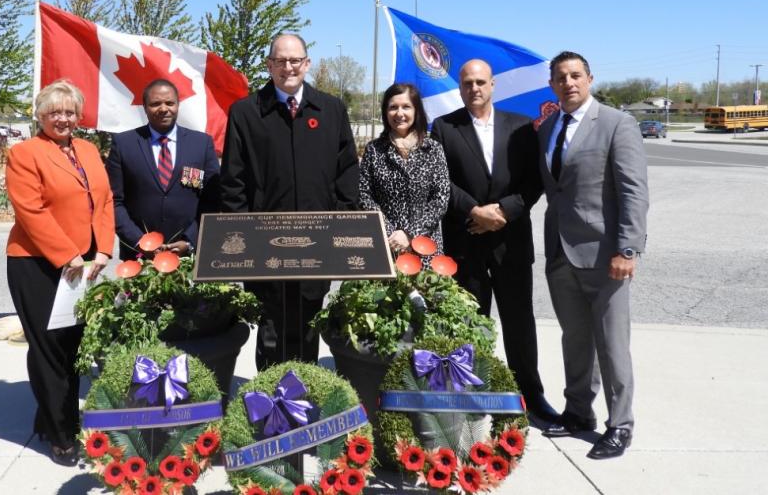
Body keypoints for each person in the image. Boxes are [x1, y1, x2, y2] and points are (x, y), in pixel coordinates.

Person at [221, 33, 359, 369]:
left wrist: (338, 230)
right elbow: (233, 182)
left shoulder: (331, 109)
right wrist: (243, 242)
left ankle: (306, 396)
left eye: (295, 60)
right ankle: (270, 405)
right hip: (264, 248)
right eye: (280, 61)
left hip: (318, 244)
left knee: (309, 324)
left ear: (307, 63)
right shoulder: (245, 113)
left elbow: (347, 175)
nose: (288, 67)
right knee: (270, 327)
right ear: (269, 65)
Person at [430, 59, 555, 423]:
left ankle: (531, 394)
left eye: (481, 82)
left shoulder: (520, 127)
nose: (475, 89)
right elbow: (441, 182)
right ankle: (470, 396)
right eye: (467, 83)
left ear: (493, 84)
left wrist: (503, 211)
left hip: (511, 241)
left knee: (519, 321)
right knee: (470, 323)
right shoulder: (444, 127)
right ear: (460, 86)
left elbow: (534, 181)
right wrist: (475, 212)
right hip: (466, 240)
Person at [538, 52, 649, 460]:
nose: (569, 83)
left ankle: (620, 424)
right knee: (576, 339)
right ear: (552, 84)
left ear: (590, 78)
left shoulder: (618, 124)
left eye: (576, 75)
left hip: (607, 257)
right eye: (561, 77)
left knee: (613, 344)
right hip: (561, 255)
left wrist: (628, 248)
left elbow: (634, 191)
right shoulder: (548, 126)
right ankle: (578, 412)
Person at [5, 79, 115, 467]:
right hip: (36, 263)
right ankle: (62, 433)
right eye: (54, 112)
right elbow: (30, 211)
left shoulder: (87, 149)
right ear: (40, 115)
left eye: (69, 112)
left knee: (71, 344)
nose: (63, 119)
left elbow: (103, 201)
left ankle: (47, 414)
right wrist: (67, 254)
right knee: (50, 349)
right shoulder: (24, 153)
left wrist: (103, 248)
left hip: (85, 262)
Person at [106, 79, 220, 259]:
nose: (163, 108)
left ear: (178, 105)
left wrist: (191, 240)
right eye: (155, 103)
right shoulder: (124, 144)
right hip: (138, 257)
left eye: (169, 103)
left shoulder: (202, 144)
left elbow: (212, 201)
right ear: (144, 107)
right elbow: (113, 201)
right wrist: (138, 241)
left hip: (190, 254)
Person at [358, 83, 449, 259]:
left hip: (426, 247)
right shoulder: (374, 150)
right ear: (386, 112)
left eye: (406, 107)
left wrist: (410, 233)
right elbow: (364, 195)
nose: (399, 113)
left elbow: (441, 198)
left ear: (416, 111)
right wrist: (391, 233)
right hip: (386, 246)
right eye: (393, 107)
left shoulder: (433, 149)